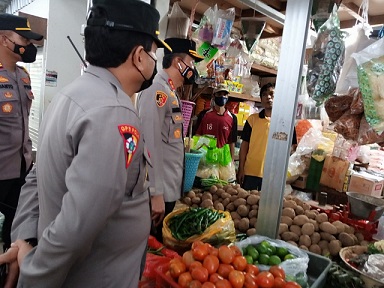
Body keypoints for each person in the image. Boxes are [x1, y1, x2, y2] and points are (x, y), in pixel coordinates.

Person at [0, 0, 171, 287]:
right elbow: (78, 225)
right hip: (94, 276)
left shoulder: (72, 95)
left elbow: (35, 177)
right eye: (154, 54)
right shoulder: (114, 113)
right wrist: (33, 269)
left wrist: (26, 236)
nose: (154, 63)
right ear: (140, 56)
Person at [137, 37, 204, 243]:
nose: (193, 69)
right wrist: (156, 193)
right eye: (191, 63)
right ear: (178, 63)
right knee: (151, 249)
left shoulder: (170, 91)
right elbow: (150, 143)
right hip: (159, 194)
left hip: (168, 190)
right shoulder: (157, 92)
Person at [0, 13, 43, 251]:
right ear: (5, 40)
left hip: (21, 171)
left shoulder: (23, 76)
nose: (29, 46)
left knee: (17, 231)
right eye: (24, 40)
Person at [237, 83, 297, 191]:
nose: (268, 97)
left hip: (273, 175)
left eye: (272, 94)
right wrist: (241, 169)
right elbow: (244, 146)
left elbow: (292, 149)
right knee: (247, 205)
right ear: (261, 99)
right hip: (251, 172)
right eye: (264, 95)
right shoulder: (252, 120)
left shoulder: (286, 123)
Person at [194, 83, 238, 159]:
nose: (222, 97)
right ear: (213, 96)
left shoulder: (232, 118)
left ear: (227, 97)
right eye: (219, 94)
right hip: (205, 158)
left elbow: (231, 142)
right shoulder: (203, 115)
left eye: (224, 94)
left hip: (222, 160)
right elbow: (197, 136)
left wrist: (232, 162)